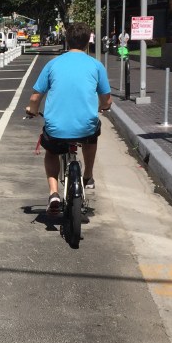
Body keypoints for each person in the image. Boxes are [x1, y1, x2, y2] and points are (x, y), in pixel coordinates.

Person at [25, 22, 112, 214]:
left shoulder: (53, 64)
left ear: (66, 40)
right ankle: (88, 175)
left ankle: (54, 193)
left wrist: (32, 110)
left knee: (51, 151)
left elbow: (35, 98)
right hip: (85, 127)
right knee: (92, 135)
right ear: (88, 42)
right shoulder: (96, 65)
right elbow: (106, 100)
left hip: (56, 128)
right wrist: (104, 107)